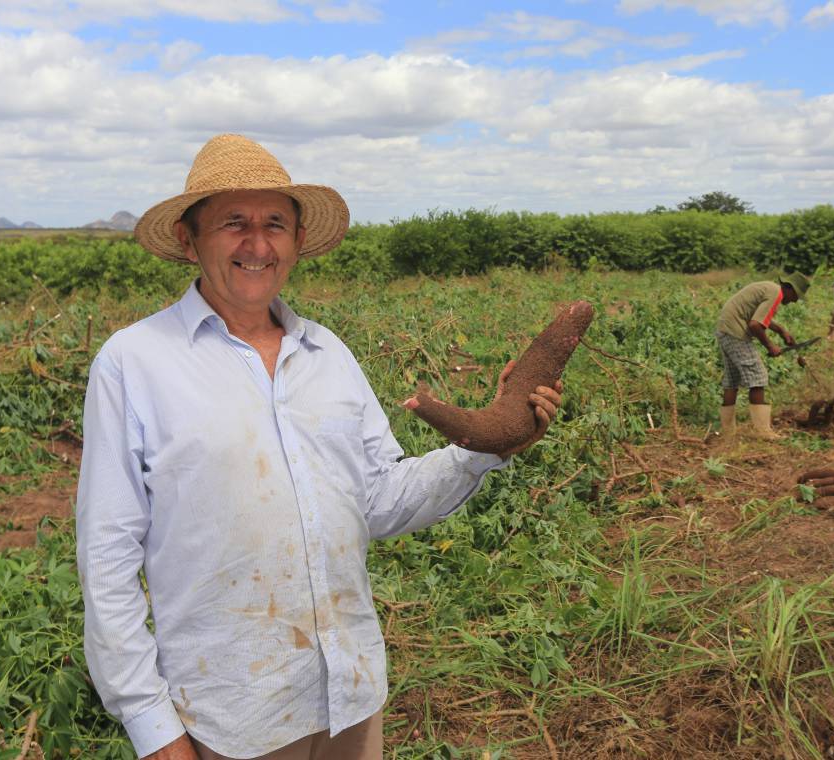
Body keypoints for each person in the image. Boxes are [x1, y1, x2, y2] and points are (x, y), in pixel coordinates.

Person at [75, 134, 563, 760]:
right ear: (190, 238)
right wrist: (152, 725)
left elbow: (379, 498)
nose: (257, 244)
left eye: (275, 224)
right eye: (234, 224)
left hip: (350, 697)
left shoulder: (328, 355)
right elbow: (107, 554)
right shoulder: (134, 362)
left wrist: (487, 444)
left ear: (298, 241)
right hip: (228, 714)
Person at [714, 272, 811, 440]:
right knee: (758, 377)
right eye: (796, 296)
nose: (794, 301)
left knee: (732, 381)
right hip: (736, 332)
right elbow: (755, 324)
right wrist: (770, 346)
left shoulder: (768, 287)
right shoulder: (776, 293)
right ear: (790, 289)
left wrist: (781, 331)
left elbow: (757, 317)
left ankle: (728, 431)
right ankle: (762, 431)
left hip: (725, 329)